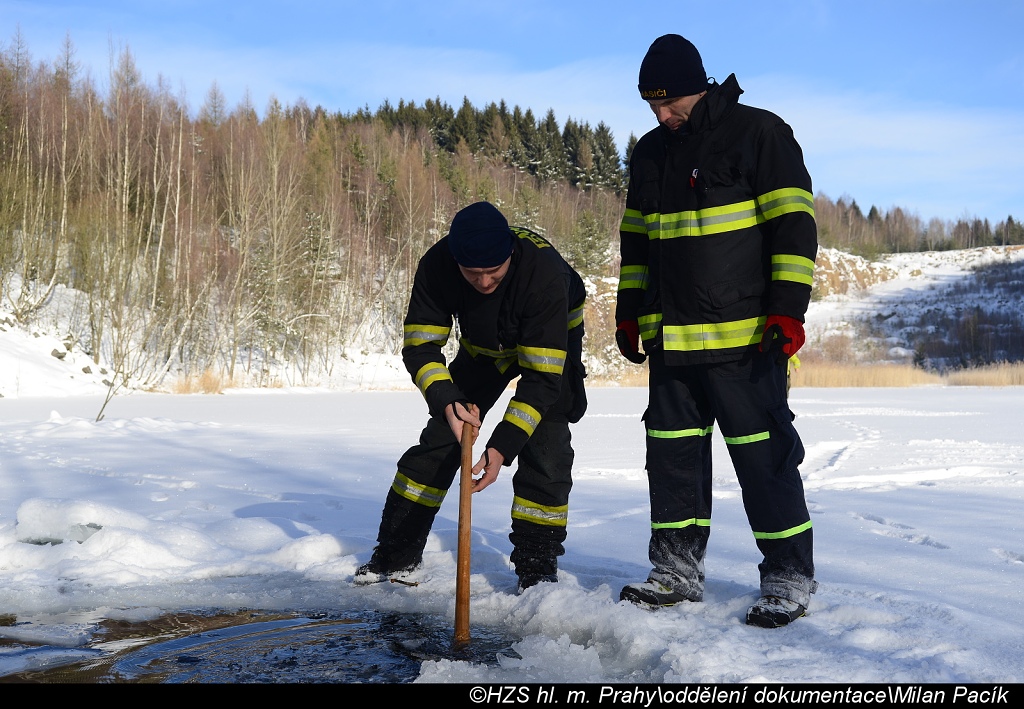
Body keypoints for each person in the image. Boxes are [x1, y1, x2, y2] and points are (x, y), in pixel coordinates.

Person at [614, 34, 818, 627]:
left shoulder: (760, 133)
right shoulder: (650, 152)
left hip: (748, 341)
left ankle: (787, 577)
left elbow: (793, 228)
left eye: (669, 103)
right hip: (672, 345)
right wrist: (630, 311)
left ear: (697, 86)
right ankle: (675, 571)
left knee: (764, 460)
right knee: (672, 459)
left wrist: (788, 311)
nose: (661, 115)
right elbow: (636, 245)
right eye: (651, 106)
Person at [356, 201, 587, 592]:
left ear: (510, 254)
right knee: (441, 442)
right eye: (472, 274)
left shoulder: (543, 274)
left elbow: (541, 381)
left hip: (550, 348)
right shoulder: (437, 265)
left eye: (493, 273)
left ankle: (536, 570)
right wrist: (447, 400)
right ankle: (395, 554)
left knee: (546, 447)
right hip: (484, 353)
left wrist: (501, 447)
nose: (483, 283)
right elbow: (420, 347)